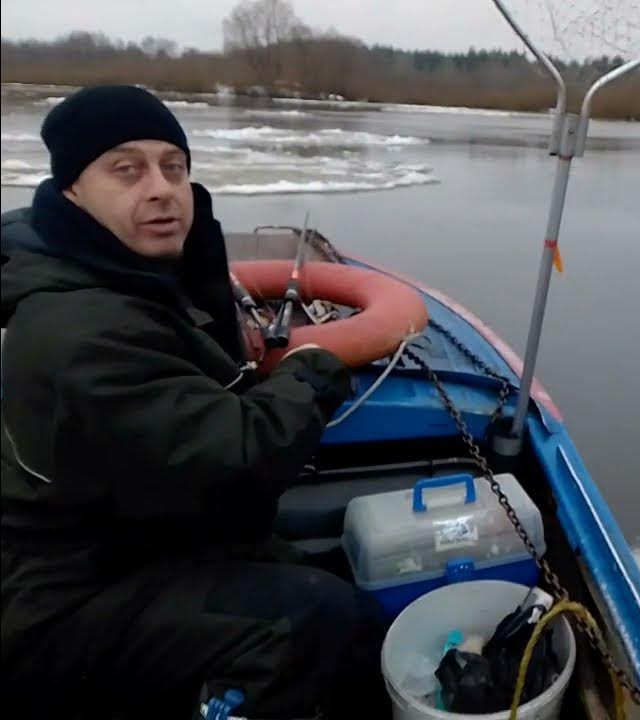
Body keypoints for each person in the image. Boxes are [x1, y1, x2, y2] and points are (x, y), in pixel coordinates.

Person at [0, 86, 385, 719]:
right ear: (71, 190)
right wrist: (310, 370)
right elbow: (240, 456)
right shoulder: (81, 329)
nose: (159, 188)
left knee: (322, 585)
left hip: (127, 537)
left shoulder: (113, 272)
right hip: (59, 608)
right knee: (311, 619)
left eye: (173, 167)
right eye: (125, 170)